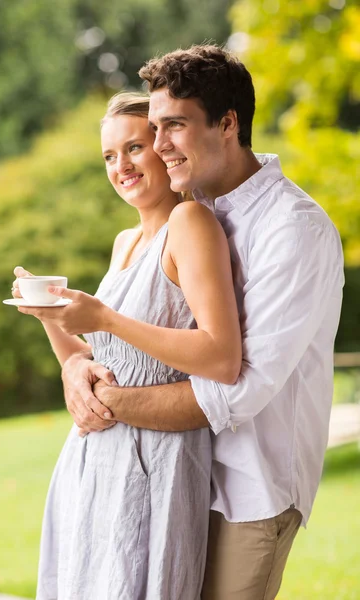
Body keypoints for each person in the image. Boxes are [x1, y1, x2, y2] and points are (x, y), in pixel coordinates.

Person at [54, 45, 345, 600]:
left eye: (173, 127)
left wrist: (103, 404)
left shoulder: (294, 229)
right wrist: (79, 371)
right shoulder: (197, 208)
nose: (158, 147)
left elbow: (237, 386)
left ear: (228, 123)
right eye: (155, 129)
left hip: (250, 491)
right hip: (177, 478)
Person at [13, 91, 242, 599]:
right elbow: (94, 363)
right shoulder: (125, 242)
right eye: (110, 157)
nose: (122, 166)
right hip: (94, 464)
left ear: (164, 146)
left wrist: (106, 319)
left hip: (156, 462)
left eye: (134, 148)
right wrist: (50, 317)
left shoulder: (191, 224)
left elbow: (221, 356)